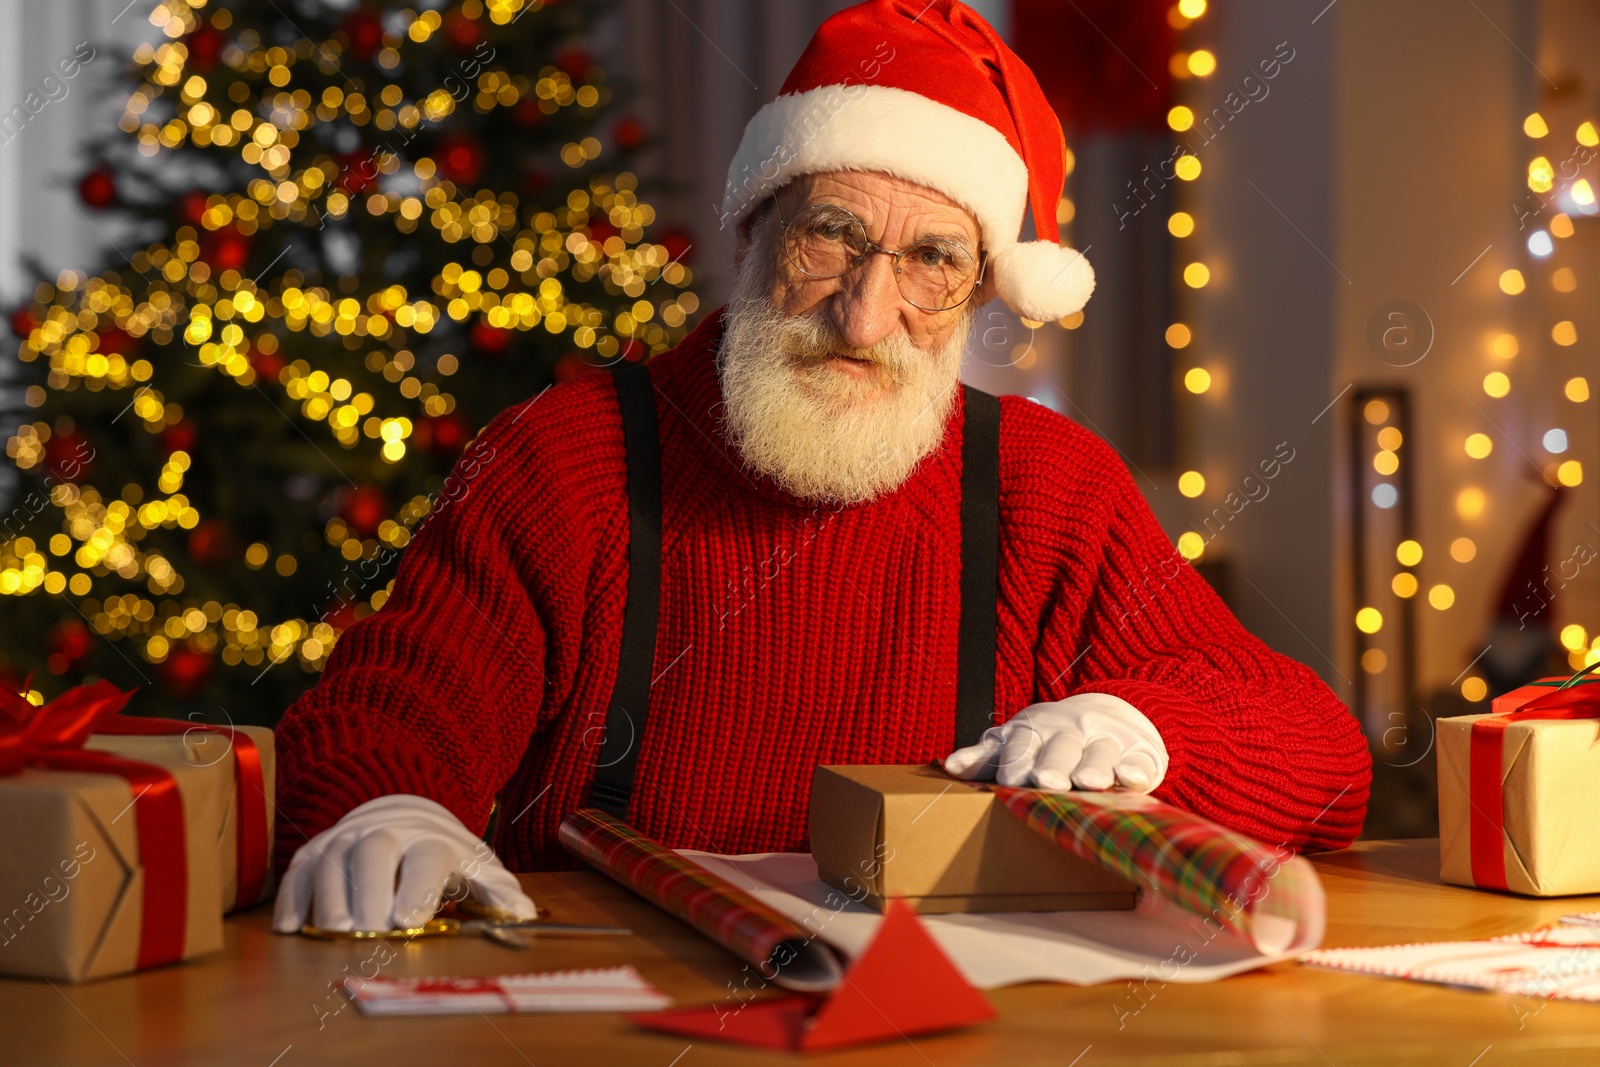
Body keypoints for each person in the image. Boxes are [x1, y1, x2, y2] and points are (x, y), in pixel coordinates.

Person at [271, 0, 1370, 936]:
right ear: (754, 233)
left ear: (981, 291)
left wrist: (1151, 728)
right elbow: (397, 707)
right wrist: (386, 805)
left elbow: (1320, 753)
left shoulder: (1048, 488)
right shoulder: (566, 459)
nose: (864, 310)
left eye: (932, 259)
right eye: (830, 236)